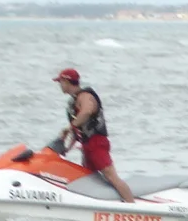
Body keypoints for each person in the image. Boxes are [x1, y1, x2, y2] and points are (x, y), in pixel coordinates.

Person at [53, 68, 138, 204]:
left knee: (111, 176)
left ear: (67, 81)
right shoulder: (73, 101)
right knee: (90, 179)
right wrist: (65, 148)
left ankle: (132, 207)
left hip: (97, 143)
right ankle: (99, 205)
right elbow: (78, 130)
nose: (59, 85)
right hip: (87, 146)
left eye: (60, 82)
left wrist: (69, 127)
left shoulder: (85, 96)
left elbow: (86, 112)